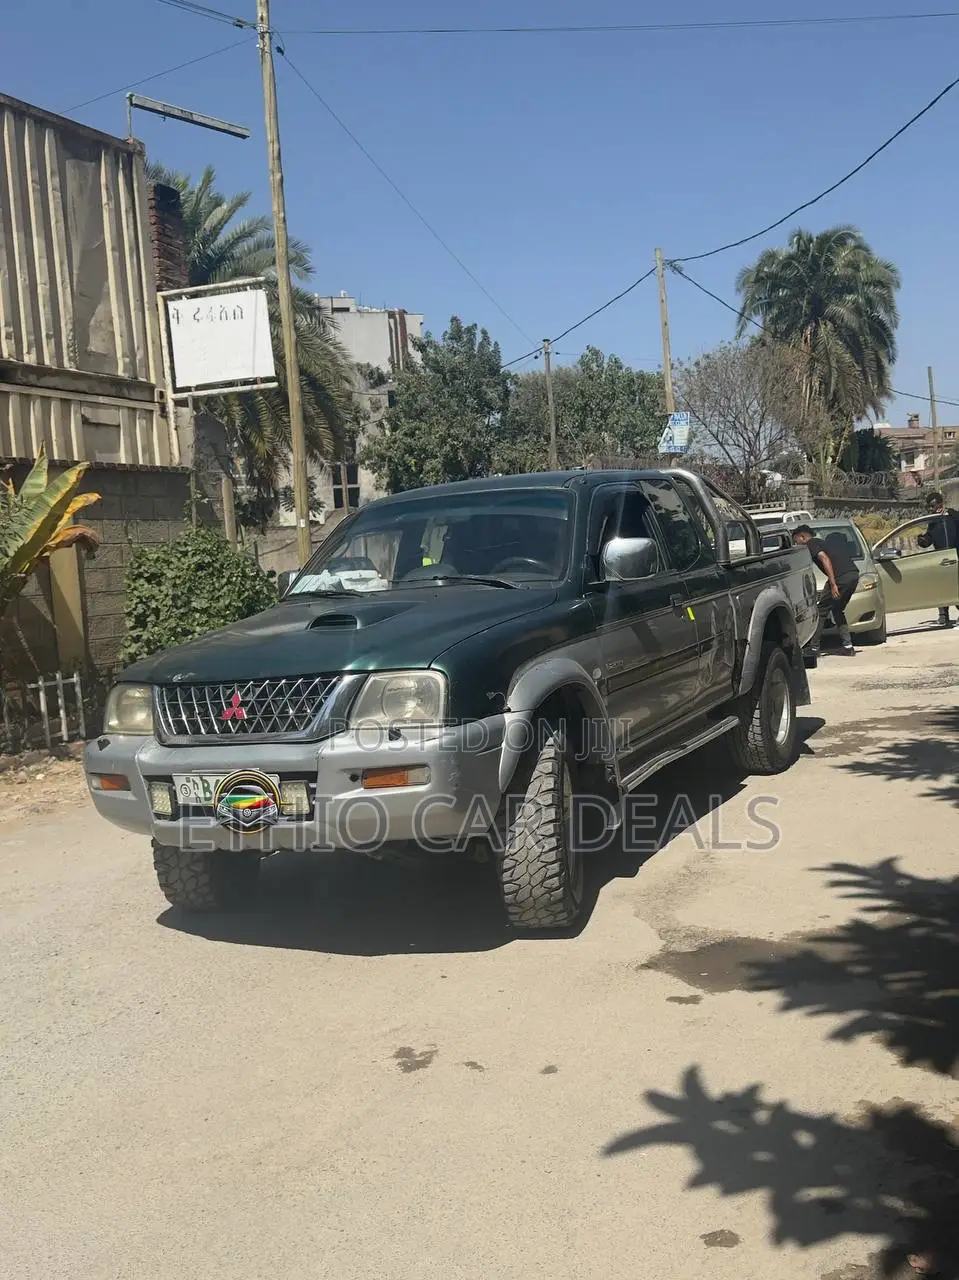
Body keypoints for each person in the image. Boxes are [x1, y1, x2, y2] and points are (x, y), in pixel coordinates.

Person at [792, 524, 860, 656]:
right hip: (853, 575)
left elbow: (824, 558)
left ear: (802, 537)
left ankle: (814, 648)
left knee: (821, 611)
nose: (796, 544)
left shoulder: (811, 544)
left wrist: (833, 584)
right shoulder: (822, 543)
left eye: (796, 540)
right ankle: (848, 646)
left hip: (840, 578)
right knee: (837, 609)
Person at [916, 490, 959, 627]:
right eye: (929, 506)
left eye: (933, 506)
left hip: (956, 558)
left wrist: (952, 514)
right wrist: (922, 540)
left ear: (940, 504)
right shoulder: (933, 523)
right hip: (941, 560)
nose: (931, 509)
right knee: (942, 589)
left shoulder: (952, 516)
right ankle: (943, 615)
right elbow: (928, 539)